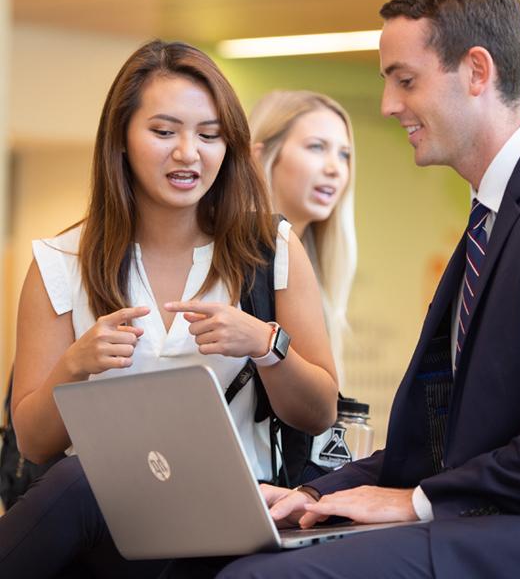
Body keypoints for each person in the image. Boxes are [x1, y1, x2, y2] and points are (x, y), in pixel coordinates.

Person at [163, 0, 520, 579]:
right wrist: (317, 495)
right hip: (501, 520)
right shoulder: (493, 218)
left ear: (476, 71)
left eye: (405, 81)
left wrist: (418, 501)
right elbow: (440, 447)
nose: (388, 106)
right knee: (216, 555)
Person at [0, 39, 338, 578]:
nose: (189, 153)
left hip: (228, 517)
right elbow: (35, 444)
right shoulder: (58, 262)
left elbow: (321, 411)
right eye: (164, 132)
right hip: (104, 524)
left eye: (209, 136)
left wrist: (266, 345)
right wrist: (75, 366)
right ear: (122, 140)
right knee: (86, 478)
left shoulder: (271, 248)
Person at [249, 90, 356, 386]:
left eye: (344, 154)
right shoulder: (238, 266)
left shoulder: (322, 265)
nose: (335, 168)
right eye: (317, 147)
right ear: (261, 156)